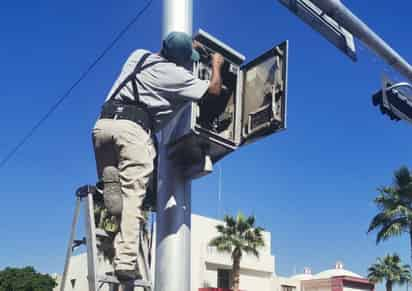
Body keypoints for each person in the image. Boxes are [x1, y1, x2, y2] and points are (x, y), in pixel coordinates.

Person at [92, 31, 224, 283]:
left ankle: (112, 188)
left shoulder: (138, 56)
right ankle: (125, 261)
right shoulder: (176, 75)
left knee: (118, 192)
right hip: (133, 131)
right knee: (134, 197)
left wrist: (188, 46)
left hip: (104, 126)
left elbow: (162, 53)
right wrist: (216, 64)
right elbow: (214, 90)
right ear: (180, 60)